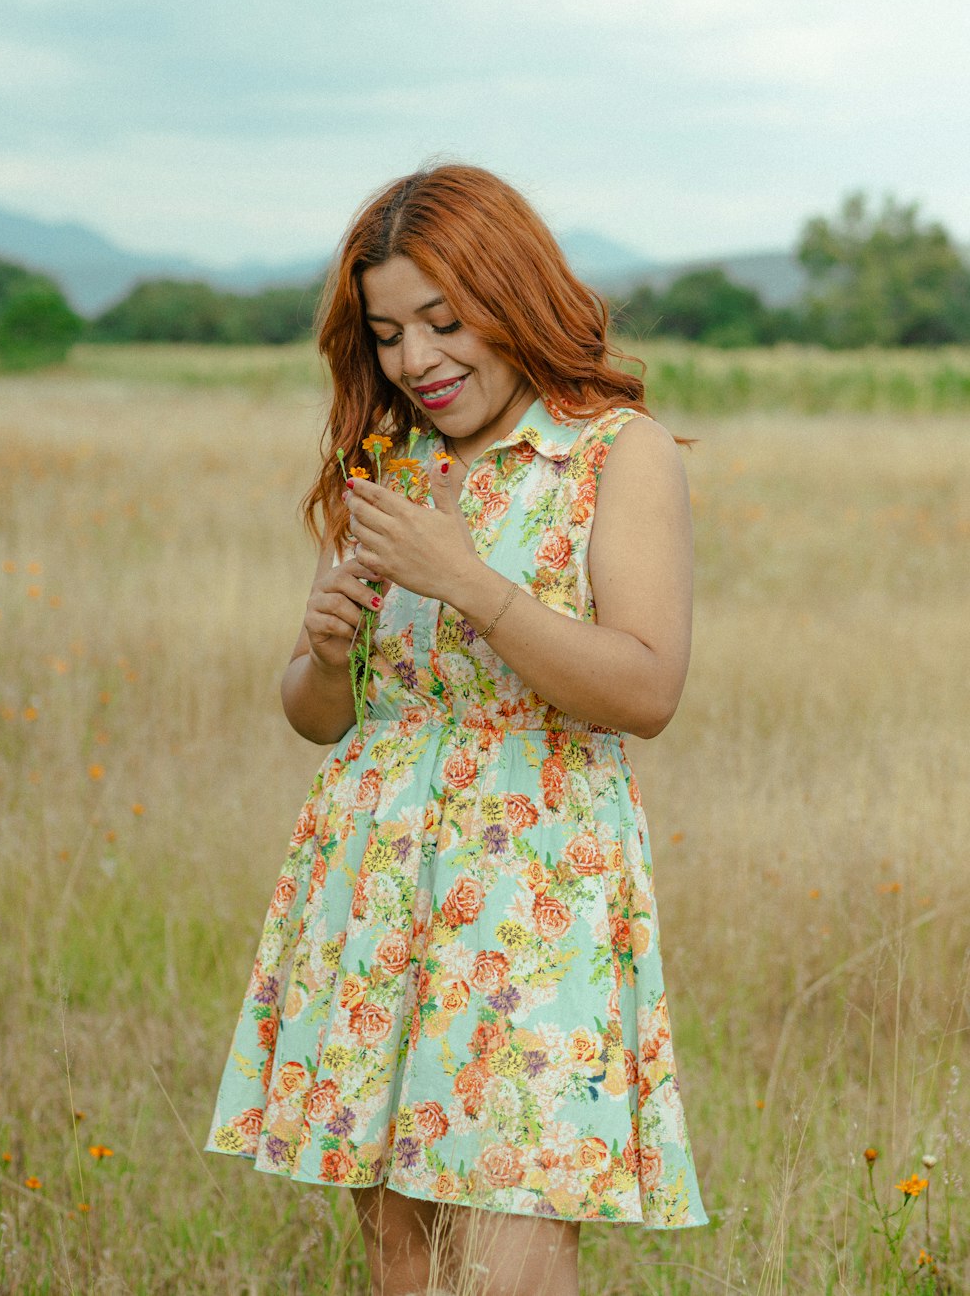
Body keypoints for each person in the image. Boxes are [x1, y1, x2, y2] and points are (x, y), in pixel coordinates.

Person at [205, 165, 707, 1295]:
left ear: (513, 292)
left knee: (509, 1253)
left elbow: (645, 688)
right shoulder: (388, 467)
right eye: (386, 334)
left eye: (444, 320)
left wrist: (468, 583)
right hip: (374, 881)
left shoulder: (613, 455)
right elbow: (321, 716)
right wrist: (325, 652)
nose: (417, 360)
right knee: (401, 1253)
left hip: (532, 893)